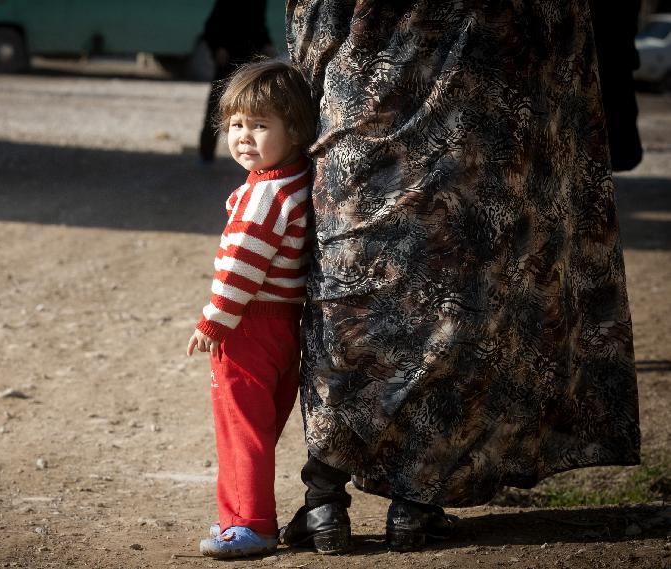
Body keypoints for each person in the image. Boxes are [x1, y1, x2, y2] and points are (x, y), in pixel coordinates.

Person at [280, 0, 641, 554]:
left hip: (367, 122)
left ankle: (325, 499)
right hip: (481, 124)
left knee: (350, 306)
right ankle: (416, 502)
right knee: (452, 310)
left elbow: (316, 21)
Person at [185, 58, 316, 558]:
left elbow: (241, 266)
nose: (243, 137)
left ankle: (248, 524)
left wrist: (213, 320)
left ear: (295, 130)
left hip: (248, 327)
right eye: (236, 125)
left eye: (260, 126)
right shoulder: (297, 182)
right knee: (260, 430)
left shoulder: (262, 195)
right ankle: (253, 516)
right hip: (285, 325)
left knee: (241, 433)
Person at [197, 0, 274, 162]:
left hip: (249, 60)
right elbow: (211, 27)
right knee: (217, 106)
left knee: (251, 108)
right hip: (228, 60)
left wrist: (267, 43)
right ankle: (206, 154)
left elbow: (259, 26)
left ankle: (252, 153)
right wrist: (218, 48)